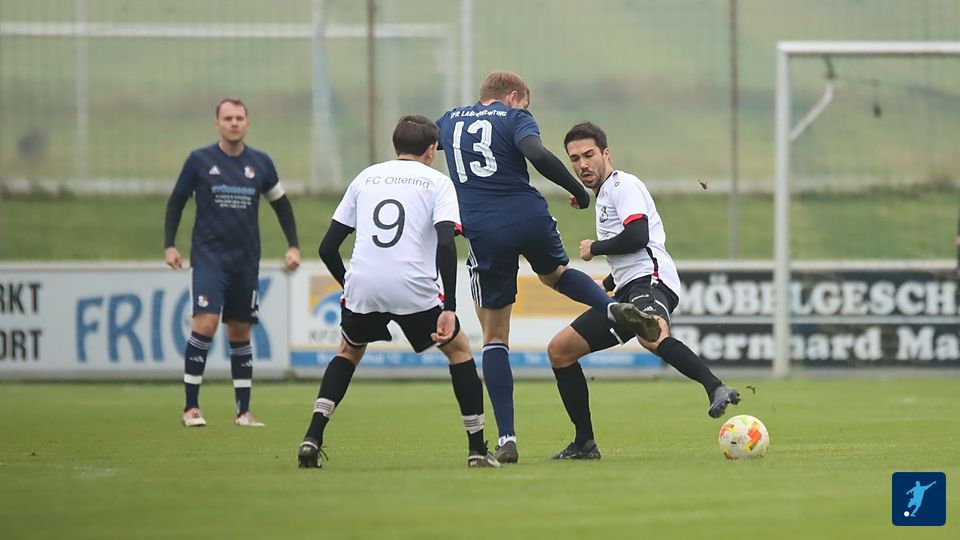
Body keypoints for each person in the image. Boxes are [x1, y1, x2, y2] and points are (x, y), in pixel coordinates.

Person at [435, 72, 652, 463]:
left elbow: (421, 141)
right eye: (526, 105)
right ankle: (610, 307)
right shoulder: (514, 117)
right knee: (556, 275)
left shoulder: (450, 120)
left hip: (483, 227)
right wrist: (577, 190)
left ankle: (507, 438)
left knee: (495, 337)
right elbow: (535, 153)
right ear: (514, 96)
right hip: (528, 215)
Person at [297, 115, 499, 469]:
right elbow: (446, 244)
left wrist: (350, 286)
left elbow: (327, 248)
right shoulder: (438, 182)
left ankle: (312, 437)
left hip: (363, 283)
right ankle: (477, 450)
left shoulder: (365, 177)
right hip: (412, 285)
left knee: (349, 351)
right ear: (431, 150)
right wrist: (449, 307)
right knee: (459, 351)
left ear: (396, 146)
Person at [545, 121, 741, 460]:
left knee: (651, 336)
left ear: (606, 153)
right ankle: (584, 444)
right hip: (627, 287)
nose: (582, 164)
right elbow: (629, 252)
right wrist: (609, 283)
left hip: (651, 279)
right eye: (575, 159)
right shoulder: (605, 195)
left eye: (589, 155)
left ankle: (715, 387)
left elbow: (638, 237)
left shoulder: (623, 185)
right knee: (560, 351)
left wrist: (594, 248)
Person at [164, 98, 300, 428]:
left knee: (240, 331)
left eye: (239, 117)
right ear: (217, 124)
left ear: (248, 123)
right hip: (209, 259)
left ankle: (243, 412)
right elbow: (177, 201)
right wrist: (170, 245)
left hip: (245, 262)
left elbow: (281, 205)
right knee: (206, 324)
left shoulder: (261, 163)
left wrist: (293, 245)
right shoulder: (199, 161)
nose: (234, 123)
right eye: (228, 118)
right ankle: (191, 407)